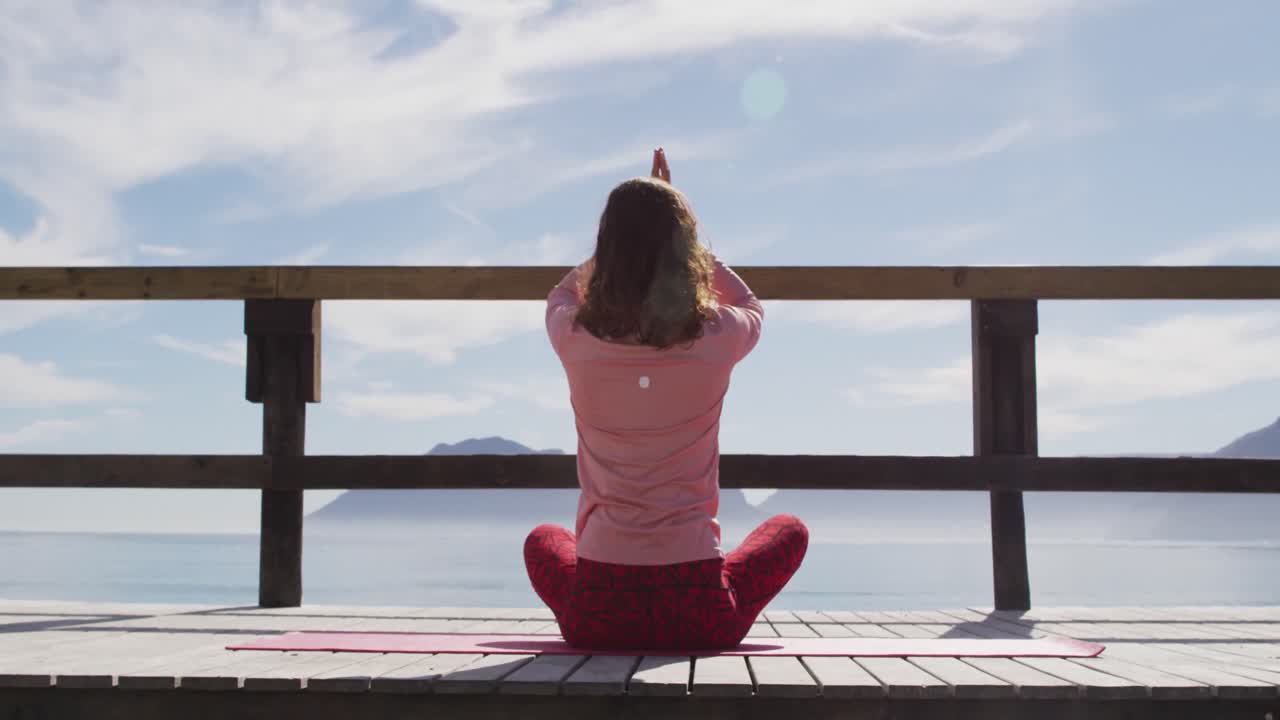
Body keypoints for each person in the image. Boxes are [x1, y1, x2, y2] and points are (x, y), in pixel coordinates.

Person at [523, 148, 808, 650]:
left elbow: (561, 295)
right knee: (790, 530)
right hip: (698, 613)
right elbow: (750, 305)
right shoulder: (715, 334)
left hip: (596, 616)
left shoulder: (575, 336)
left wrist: (622, 248)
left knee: (542, 540)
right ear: (684, 252)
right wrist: (684, 238)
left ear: (606, 250)